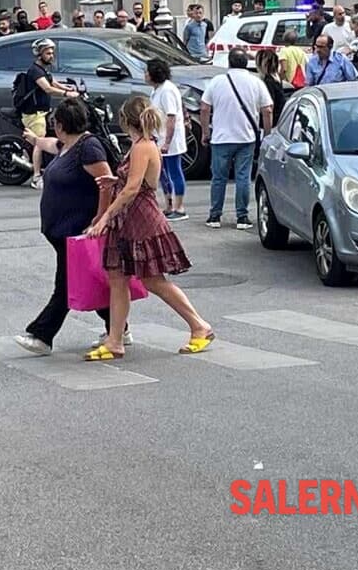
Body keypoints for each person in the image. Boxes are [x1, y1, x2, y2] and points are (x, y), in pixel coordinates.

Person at [83, 97, 212, 361]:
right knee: (117, 278)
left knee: (153, 280)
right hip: (131, 218)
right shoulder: (140, 145)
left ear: (125, 120)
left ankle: (199, 326)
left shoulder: (142, 147)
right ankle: (115, 340)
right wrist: (115, 180)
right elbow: (131, 181)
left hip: (141, 218)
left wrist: (105, 217)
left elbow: (133, 189)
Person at [12, 99, 116, 355]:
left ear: (60, 125)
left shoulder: (88, 147)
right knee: (88, 281)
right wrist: (35, 140)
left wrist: (99, 218)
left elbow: (107, 182)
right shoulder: (67, 144)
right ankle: (118, 327)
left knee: (67, 285)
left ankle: (42, 335)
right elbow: (51, 145)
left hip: (77, 230)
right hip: (61, 231)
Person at [200, 49, 274, 229]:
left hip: (220, 138)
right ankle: (242, 217)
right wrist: (267, 133)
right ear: (245, 63)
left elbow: (204, 108)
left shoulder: (217, 81)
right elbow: (268, 109)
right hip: (245, 137)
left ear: (229, 63)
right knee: (243, 177)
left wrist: (205, 132)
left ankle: (214, 216)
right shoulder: (255, 82)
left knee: (218, 178)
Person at [19, 39, 79, 189]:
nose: (51, 55)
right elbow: (47, 88)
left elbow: (52, 83)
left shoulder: (44, 69)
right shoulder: (35, 71)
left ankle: (28, 153)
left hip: (44, 111)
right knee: (40, 142)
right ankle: (36, 176)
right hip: (34, 113)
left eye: (52, 52)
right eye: (48, 53)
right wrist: (66, 93)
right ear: (39, 54)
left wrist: (67, 87)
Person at [147, 59, 188, 220]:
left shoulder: (167, 91)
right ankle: (169, 204)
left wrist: (167, 142)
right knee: (164, 173)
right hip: (160, 137)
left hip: (168, 139)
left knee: (174, 171)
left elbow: (171, 117)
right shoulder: (157, 90)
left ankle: (179, 207)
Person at [255, 50, 286, 125]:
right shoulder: (276, 78)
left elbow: (269, 106)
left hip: (272, 121)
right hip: (280, 118)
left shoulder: (268, 81)